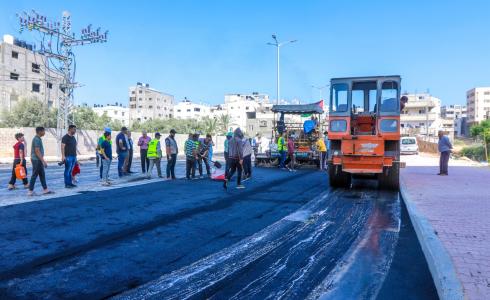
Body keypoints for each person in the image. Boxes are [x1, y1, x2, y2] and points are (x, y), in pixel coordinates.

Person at [28, 127, 53, 196]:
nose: (44, 132)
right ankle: (30, 191)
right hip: (37, 160)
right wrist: (43, 161)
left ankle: (45, 189)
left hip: (38, 159)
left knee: (42, 175)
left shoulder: (38, 139)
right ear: (39, 131)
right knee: (34, 175)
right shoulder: (36, 139)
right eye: (43, 131)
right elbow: (37, 151)